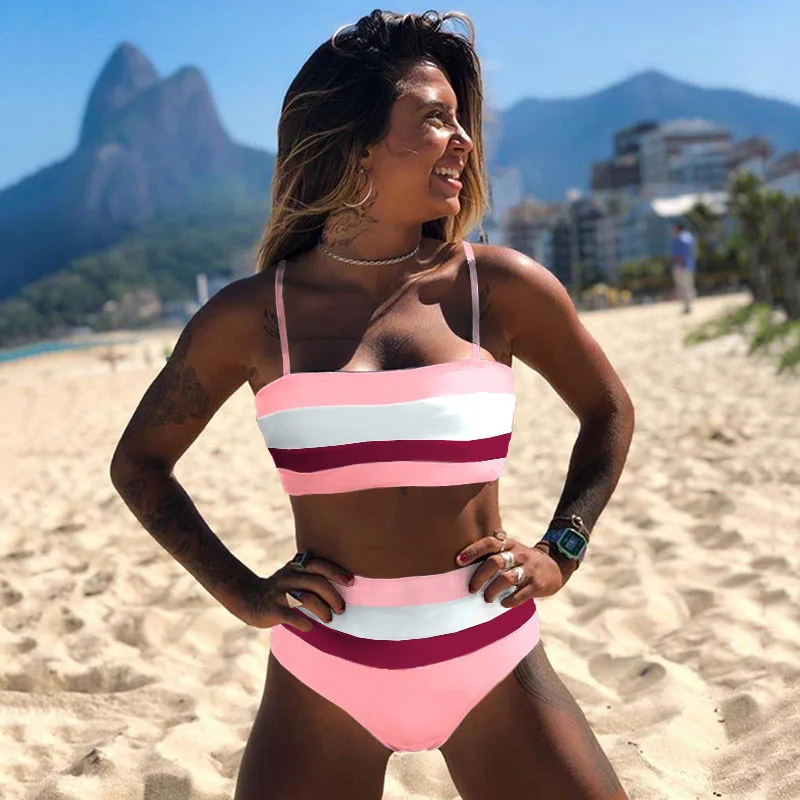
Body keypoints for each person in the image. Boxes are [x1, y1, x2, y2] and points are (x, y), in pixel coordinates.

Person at [110, 11, 635, 800]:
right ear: (355, 144)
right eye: (435, 119)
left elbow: (609, 411)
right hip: (323, 678)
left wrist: (560, 548)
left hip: (492, 662)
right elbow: (140, 464)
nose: (464, 141)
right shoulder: (252, 317)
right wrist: (242, 592)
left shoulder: (497, 288)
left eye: (461, 121)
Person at [670, 221, 697, 314]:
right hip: (689, 266)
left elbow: (680, 254)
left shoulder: (680, 238)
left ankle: (687, 307)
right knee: (688, 286)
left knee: (683, 287)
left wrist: (675, 261)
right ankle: (688, 306)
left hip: (681, 266)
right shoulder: (690, 237)